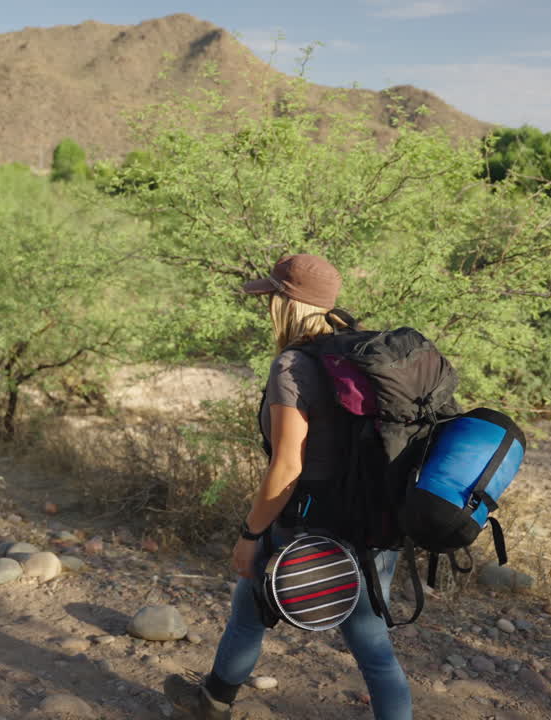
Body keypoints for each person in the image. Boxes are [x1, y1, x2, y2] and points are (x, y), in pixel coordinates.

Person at [164, 254, 413, 720]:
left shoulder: (293, 367)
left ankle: (211, 706)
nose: (267, 307)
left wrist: (251, 534)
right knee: (367, 643)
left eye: (272, 297)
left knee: (354, 639)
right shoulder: (359, 355)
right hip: (376, 521)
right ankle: (211, 701)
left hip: (312, 526)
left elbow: (286, 467)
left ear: (288, 303)